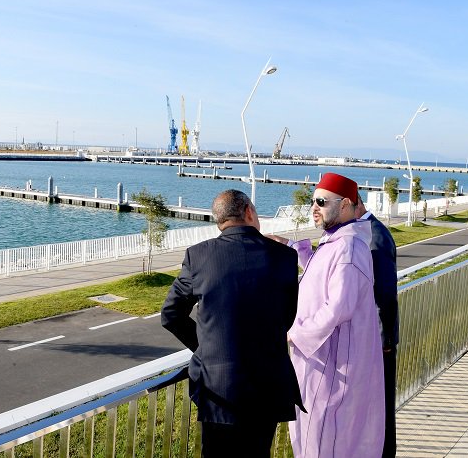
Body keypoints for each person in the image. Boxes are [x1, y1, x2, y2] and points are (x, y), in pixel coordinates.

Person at [161, 189, 303, 458]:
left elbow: (170, 314)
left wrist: (205, 348)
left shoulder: (198, 256)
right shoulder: (284, 257)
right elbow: (287, 317)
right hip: (267, 383)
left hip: (218, 385)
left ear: (220, 220)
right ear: (249, 211)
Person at [272, 172, 385, 457]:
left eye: (321, 202)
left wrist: (294, 333)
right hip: (323, 362)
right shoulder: (337, 241)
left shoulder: (347, 247)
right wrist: (292, 247)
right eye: (313, 201)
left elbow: (339, 306)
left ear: (345, 204)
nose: (314, 208)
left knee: (321, 441)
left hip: (331, 367)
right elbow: (321, 274)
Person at [356, 193, 399, 457]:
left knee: (381, 407)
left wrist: (384, 342)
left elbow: (385, 294)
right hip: (370, 338)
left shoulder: (375, 235)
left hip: (379, 341)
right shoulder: (365, 232)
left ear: (353, 203)